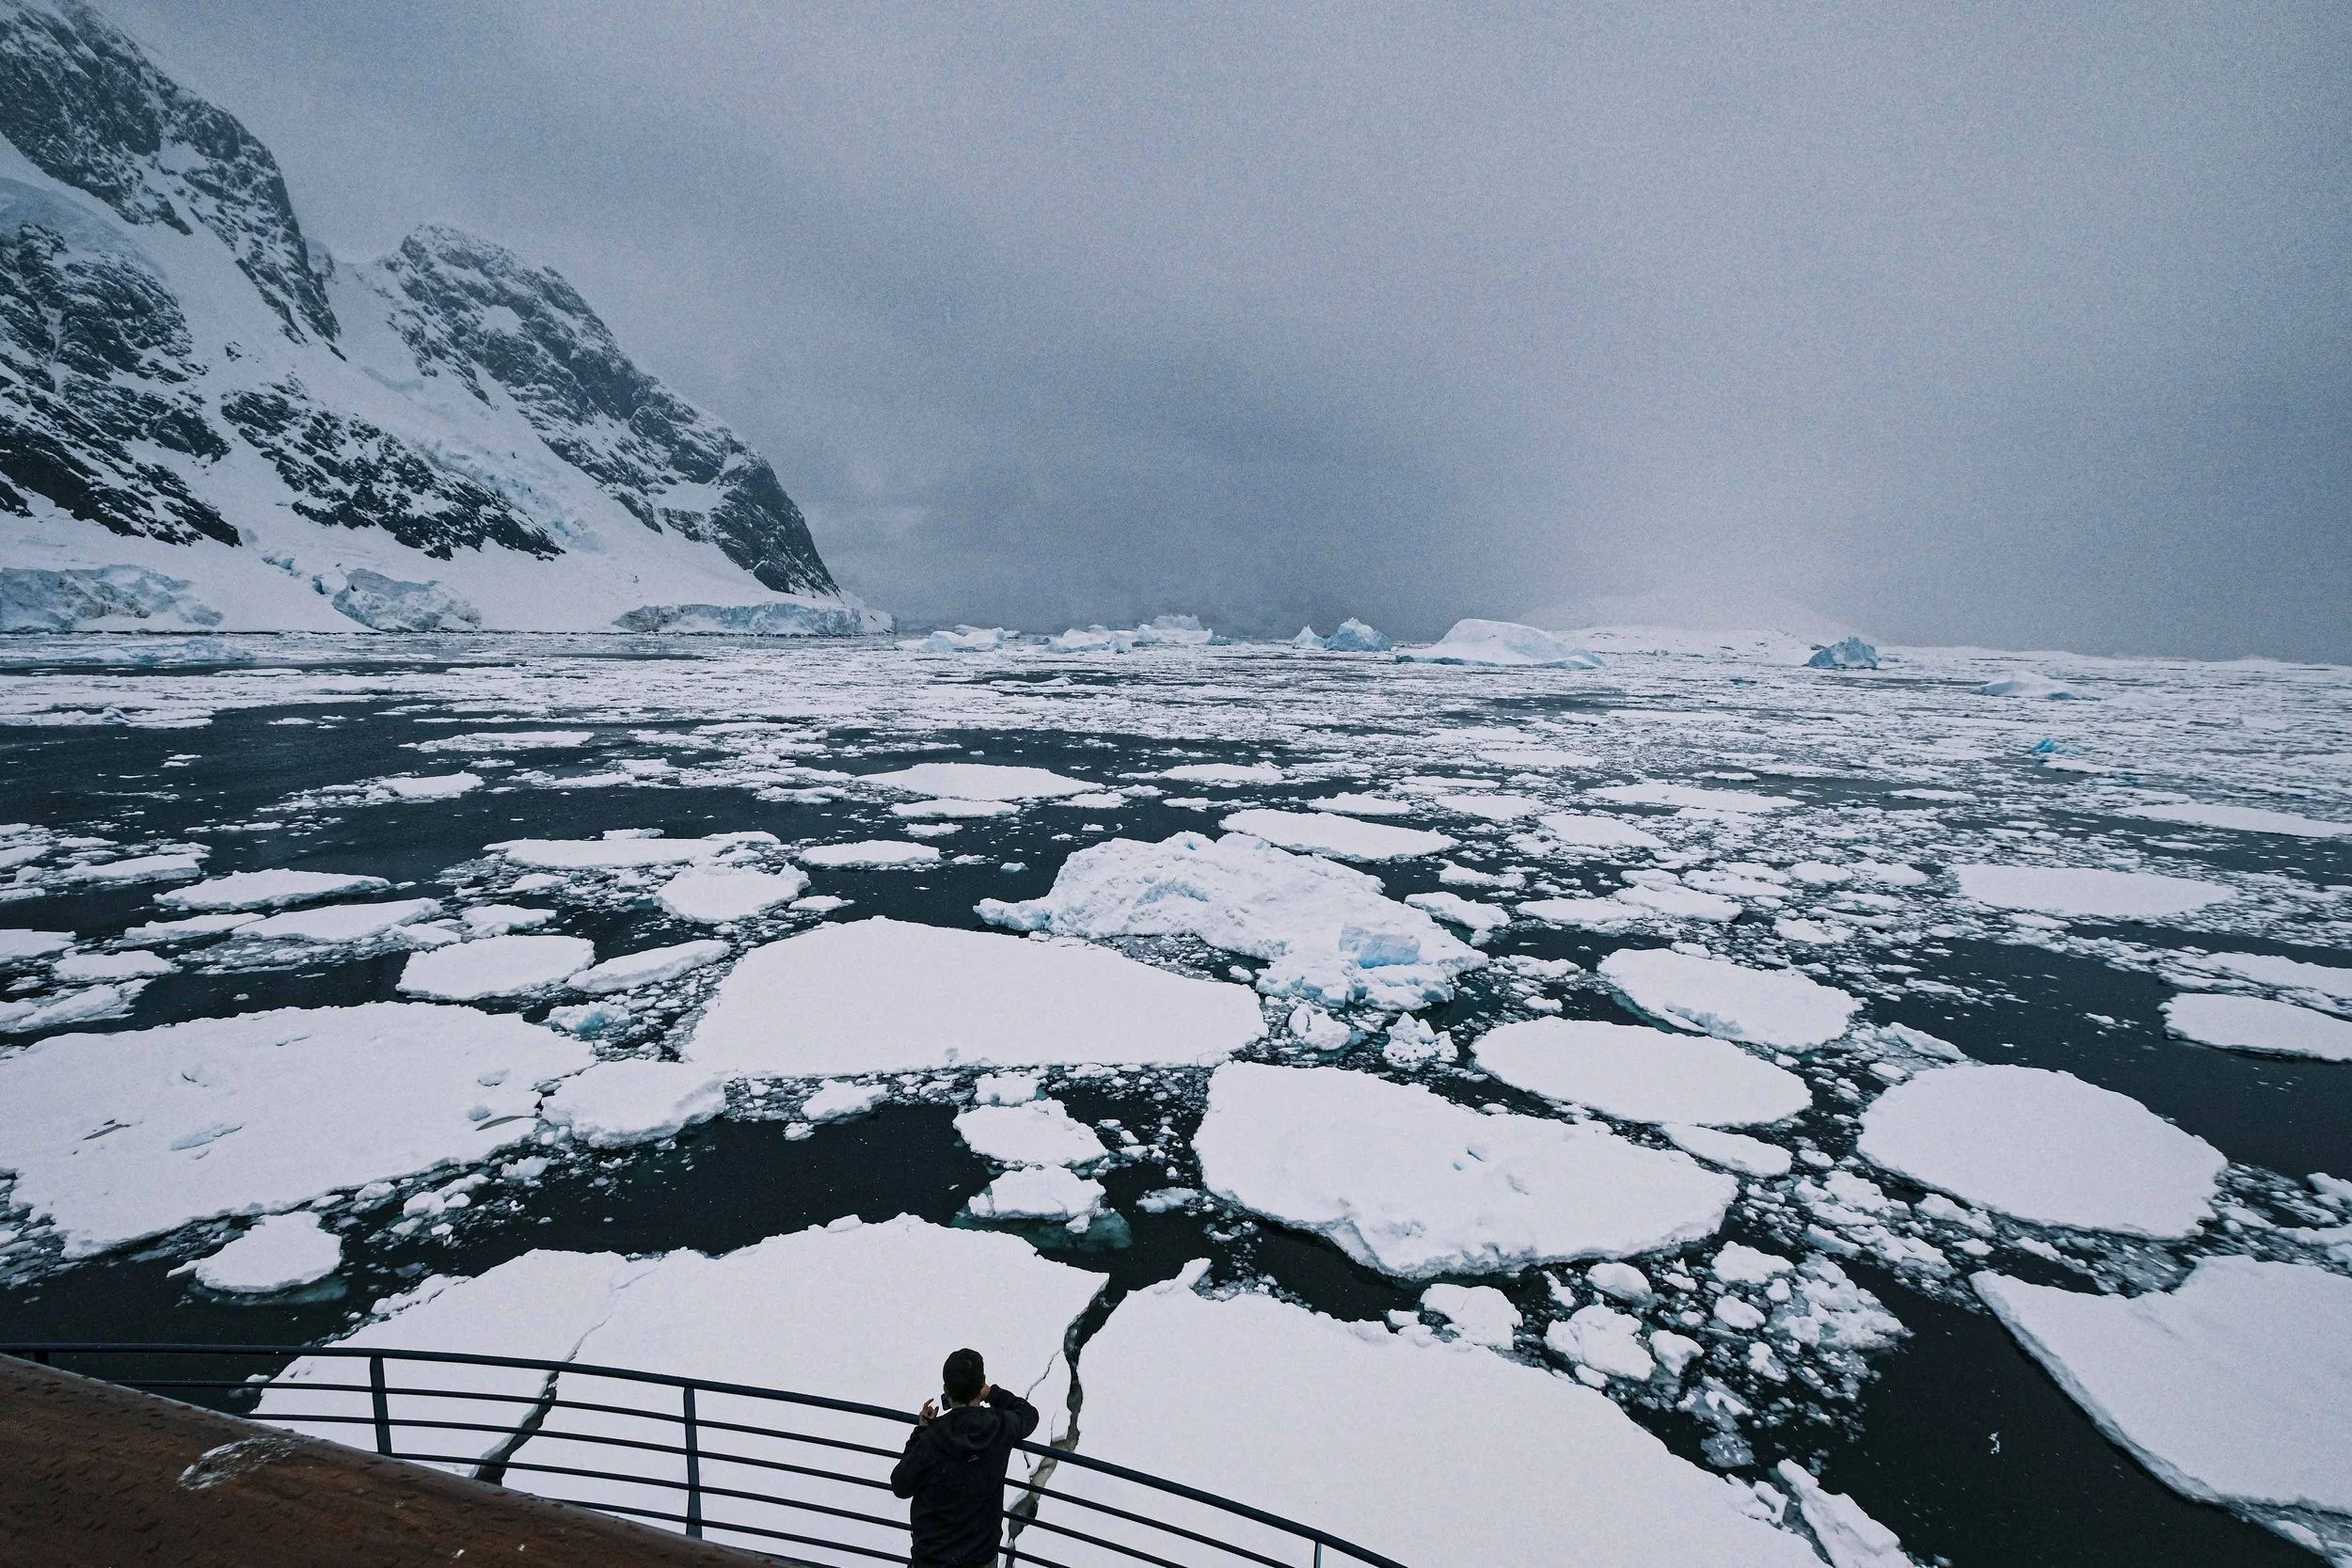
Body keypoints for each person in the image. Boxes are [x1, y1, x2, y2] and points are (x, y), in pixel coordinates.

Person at [890, 1347, 1040, 1568]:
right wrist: (991, 1393)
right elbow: (1028, 1414)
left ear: (946, 1391)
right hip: (981, 1558)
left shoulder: (933, 1438)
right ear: (981, 1385)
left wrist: (921, 1431)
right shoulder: (999, 1427)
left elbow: (901, 1485)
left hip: (933, 1560)